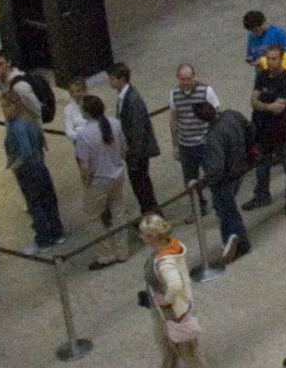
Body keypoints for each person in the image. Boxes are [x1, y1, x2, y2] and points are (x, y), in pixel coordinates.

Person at [139, 212, 212, 368]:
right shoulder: (171, 247)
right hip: (170, 306)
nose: (140, 237)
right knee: (166, 340)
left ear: (151, 237)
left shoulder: (164, 261)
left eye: (143, 233)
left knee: (184, 344)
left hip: (171, 309)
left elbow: (175, 285)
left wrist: (165, 299)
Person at [243, 11, 286, 168]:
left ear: (263, 23)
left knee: (284, 117)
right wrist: (252, 61)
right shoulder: (252, 37)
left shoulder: (278, 33)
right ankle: (278, 151)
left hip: (281, 81)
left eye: (257, 30)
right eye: (253, 31)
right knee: (265, 116)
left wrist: (267, 62)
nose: (255, 34)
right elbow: (250, 55)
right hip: (262, 80)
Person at [72, 94, 132, 268]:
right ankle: (123, 251)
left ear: (86, 112)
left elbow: (84, 166)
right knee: (118, 212)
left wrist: (86, 182)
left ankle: (106, 254)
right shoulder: (115, 123)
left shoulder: (83, 135)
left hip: (98, 181)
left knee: (93, 217)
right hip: (118, 175)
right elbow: (124, 149)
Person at [3, 88, 65, 253]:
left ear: (14, 106)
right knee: (49, 200)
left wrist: (14, 166)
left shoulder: (17, 126)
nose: (4, 111)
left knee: (36, 205)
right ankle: (57, 232)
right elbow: (40, 141)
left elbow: (26, 151)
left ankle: (43, 240)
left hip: (28, 171)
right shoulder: (31, 119)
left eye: (6, 106)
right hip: (41, 166)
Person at [242, 51, 286, 217]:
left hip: (283, 131)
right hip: (262, 130)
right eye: (268, 59)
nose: (270, 62)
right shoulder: (261, 75)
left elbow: (279, 107)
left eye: (274, 59)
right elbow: (252, 101)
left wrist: (262, 105)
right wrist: (268, 106)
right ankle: (262, 195)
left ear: (282, 59)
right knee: (262, 165)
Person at [198, 103, 253, 263]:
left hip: (225, 178)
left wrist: (203, 183)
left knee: (226, 210)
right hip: (239, 168)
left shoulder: (212, 137)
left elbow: (216, 168)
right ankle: (234, 241)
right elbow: (249, 129)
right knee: (226, 209)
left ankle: (237, 240)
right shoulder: (232, 115)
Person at [108, 63, 161, 214]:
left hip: (138, 153)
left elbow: (138, 132)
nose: (110, 83)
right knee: (140, 186)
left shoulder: (132, 100)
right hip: (132, 150)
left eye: (112, 79)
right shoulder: (124, 96)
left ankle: (153, 215)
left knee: (142, 186)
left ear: (121, 79)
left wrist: (134, 157)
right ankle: (149, 213)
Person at [169, 63, 221, 186]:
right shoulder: (174, 94)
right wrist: (175, 145)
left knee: (213, 174)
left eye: (189, 79)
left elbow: (218, 114)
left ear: (194, 76)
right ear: (177, 78)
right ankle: (199, 200)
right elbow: (173, 120)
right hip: (185, 145)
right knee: (190, 180)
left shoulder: (206, 91)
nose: (186, 82)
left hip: (205, 142)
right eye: (183, 79)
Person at [0, 49, 47, 120]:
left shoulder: (19, 86)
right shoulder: (4, 83)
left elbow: (37, 111)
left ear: (9, 63)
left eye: (0, 64)